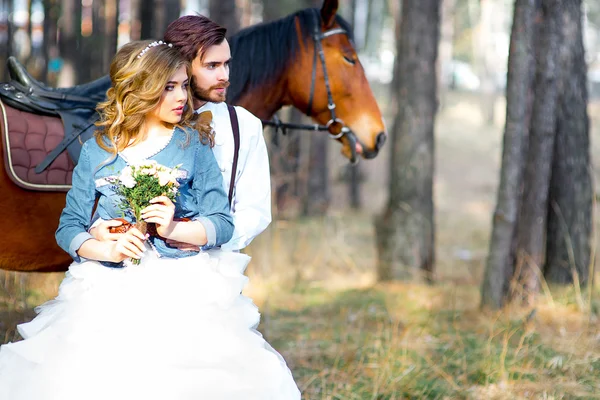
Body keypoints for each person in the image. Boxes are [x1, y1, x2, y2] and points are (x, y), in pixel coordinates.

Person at [0, 40, 301, 400]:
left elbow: (222, 221)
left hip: (181, 281)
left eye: (184, 86)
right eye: (168, 87)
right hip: (106, 285)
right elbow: (68, 228)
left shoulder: (193, 143)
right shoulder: (99, 148)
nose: (181, 97)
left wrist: (176, 228)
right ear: (140, 89)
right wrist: (104, 249)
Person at [93, 15, 271, 252]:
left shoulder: (245, 126)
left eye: (226, 64)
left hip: (211, 265)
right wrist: (100, 230)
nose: (225, 76)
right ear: (181, 65)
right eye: (212, 66)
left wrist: (202, 239)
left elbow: (255, 210)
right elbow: (103, 198)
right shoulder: (136, 122)